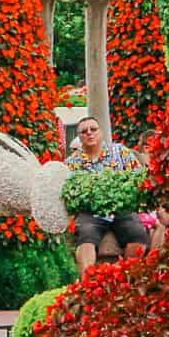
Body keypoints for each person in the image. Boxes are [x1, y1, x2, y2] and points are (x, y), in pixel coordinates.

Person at [65, 117, 150, 275]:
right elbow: (69, 192)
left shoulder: (121, 152)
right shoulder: (71, 163)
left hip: (121, 209)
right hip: (89, 213)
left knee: (137, 236)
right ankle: (87, 285)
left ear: (101, 132)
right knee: (85, 238)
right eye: (84, 131)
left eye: (93, 129)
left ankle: (125, 280)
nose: (89, 133)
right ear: (79, 137)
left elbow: (139, 178)